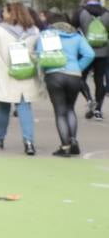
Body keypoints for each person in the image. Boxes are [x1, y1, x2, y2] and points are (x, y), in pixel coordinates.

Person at [0, 0, 44, 156]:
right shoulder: (34, 31)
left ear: (11, 13)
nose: (2, 14)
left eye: (5, 11)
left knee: (3, 107)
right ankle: (29, 142)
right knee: (24, 106)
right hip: (26, 72)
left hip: (4, 73)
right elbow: (37, 52)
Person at [38, 12, 95, 157]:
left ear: (51, 23)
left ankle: (65, 147)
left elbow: (40, 55)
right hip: (74, 76)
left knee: (60, 112)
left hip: (54, 75)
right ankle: (74, 140)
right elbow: (90, 54)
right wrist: (78, 67)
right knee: (70, 109)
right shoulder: (76, 36)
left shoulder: (47, 35)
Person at [73, 0, 108, 119]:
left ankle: (89, 99)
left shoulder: (80, 12)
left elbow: (71, 28)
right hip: (103, 52)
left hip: (85, 52)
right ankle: (98, 109)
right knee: (100, 80)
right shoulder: (106, 12)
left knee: (79, 77)